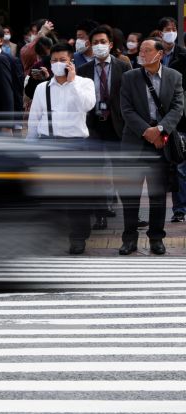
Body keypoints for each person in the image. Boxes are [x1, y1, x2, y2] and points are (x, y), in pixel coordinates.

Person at [27, 42, 96, 254]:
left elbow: (87, 105)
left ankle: (78, 237)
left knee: (78, 195)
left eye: (62, 60)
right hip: (49, 144)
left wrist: (73, 81)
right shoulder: (42, 88)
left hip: (76, 145)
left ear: (71, 62)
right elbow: (34, 118)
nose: (58, 64)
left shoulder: (84, 83)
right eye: (54, 60)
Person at [118, 37, 184, 255]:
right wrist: (147, 131)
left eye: (147, 51)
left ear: (160, 54)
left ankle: (156, 238)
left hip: (161, 144)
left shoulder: (174, 77)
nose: (142, 54)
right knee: (130, 195)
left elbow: (177, 107)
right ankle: (129, 239)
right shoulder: (129, 77)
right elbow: (126, 109)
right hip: (135, 141)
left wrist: (161, 130)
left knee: (157, 195)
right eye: (142, 51)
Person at [77, 25, 131, 231]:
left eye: (103, 42)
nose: (99, 46)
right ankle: (101, 214)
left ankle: (129, 216)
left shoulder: (123, 67)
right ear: (90, 46)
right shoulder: (82, 70)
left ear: (110, 44)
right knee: (97, 174)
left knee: (121, 173)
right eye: (95, 42)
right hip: (93, 126)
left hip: (117, 125)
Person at [158, 17, 186, 223]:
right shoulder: (156, 53)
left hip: (180, 117)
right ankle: (178, 208)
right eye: (167, 30)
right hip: (164, 118)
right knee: (176, 165)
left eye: (174, 29)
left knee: (180, 166)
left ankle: (180, 207)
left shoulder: (180, 56)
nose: (171, 33)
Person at [0, 23, 24, 131]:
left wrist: (17, 123)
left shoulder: (12, 61)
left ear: (0, 40)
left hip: (4, 118)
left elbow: (17, 92)